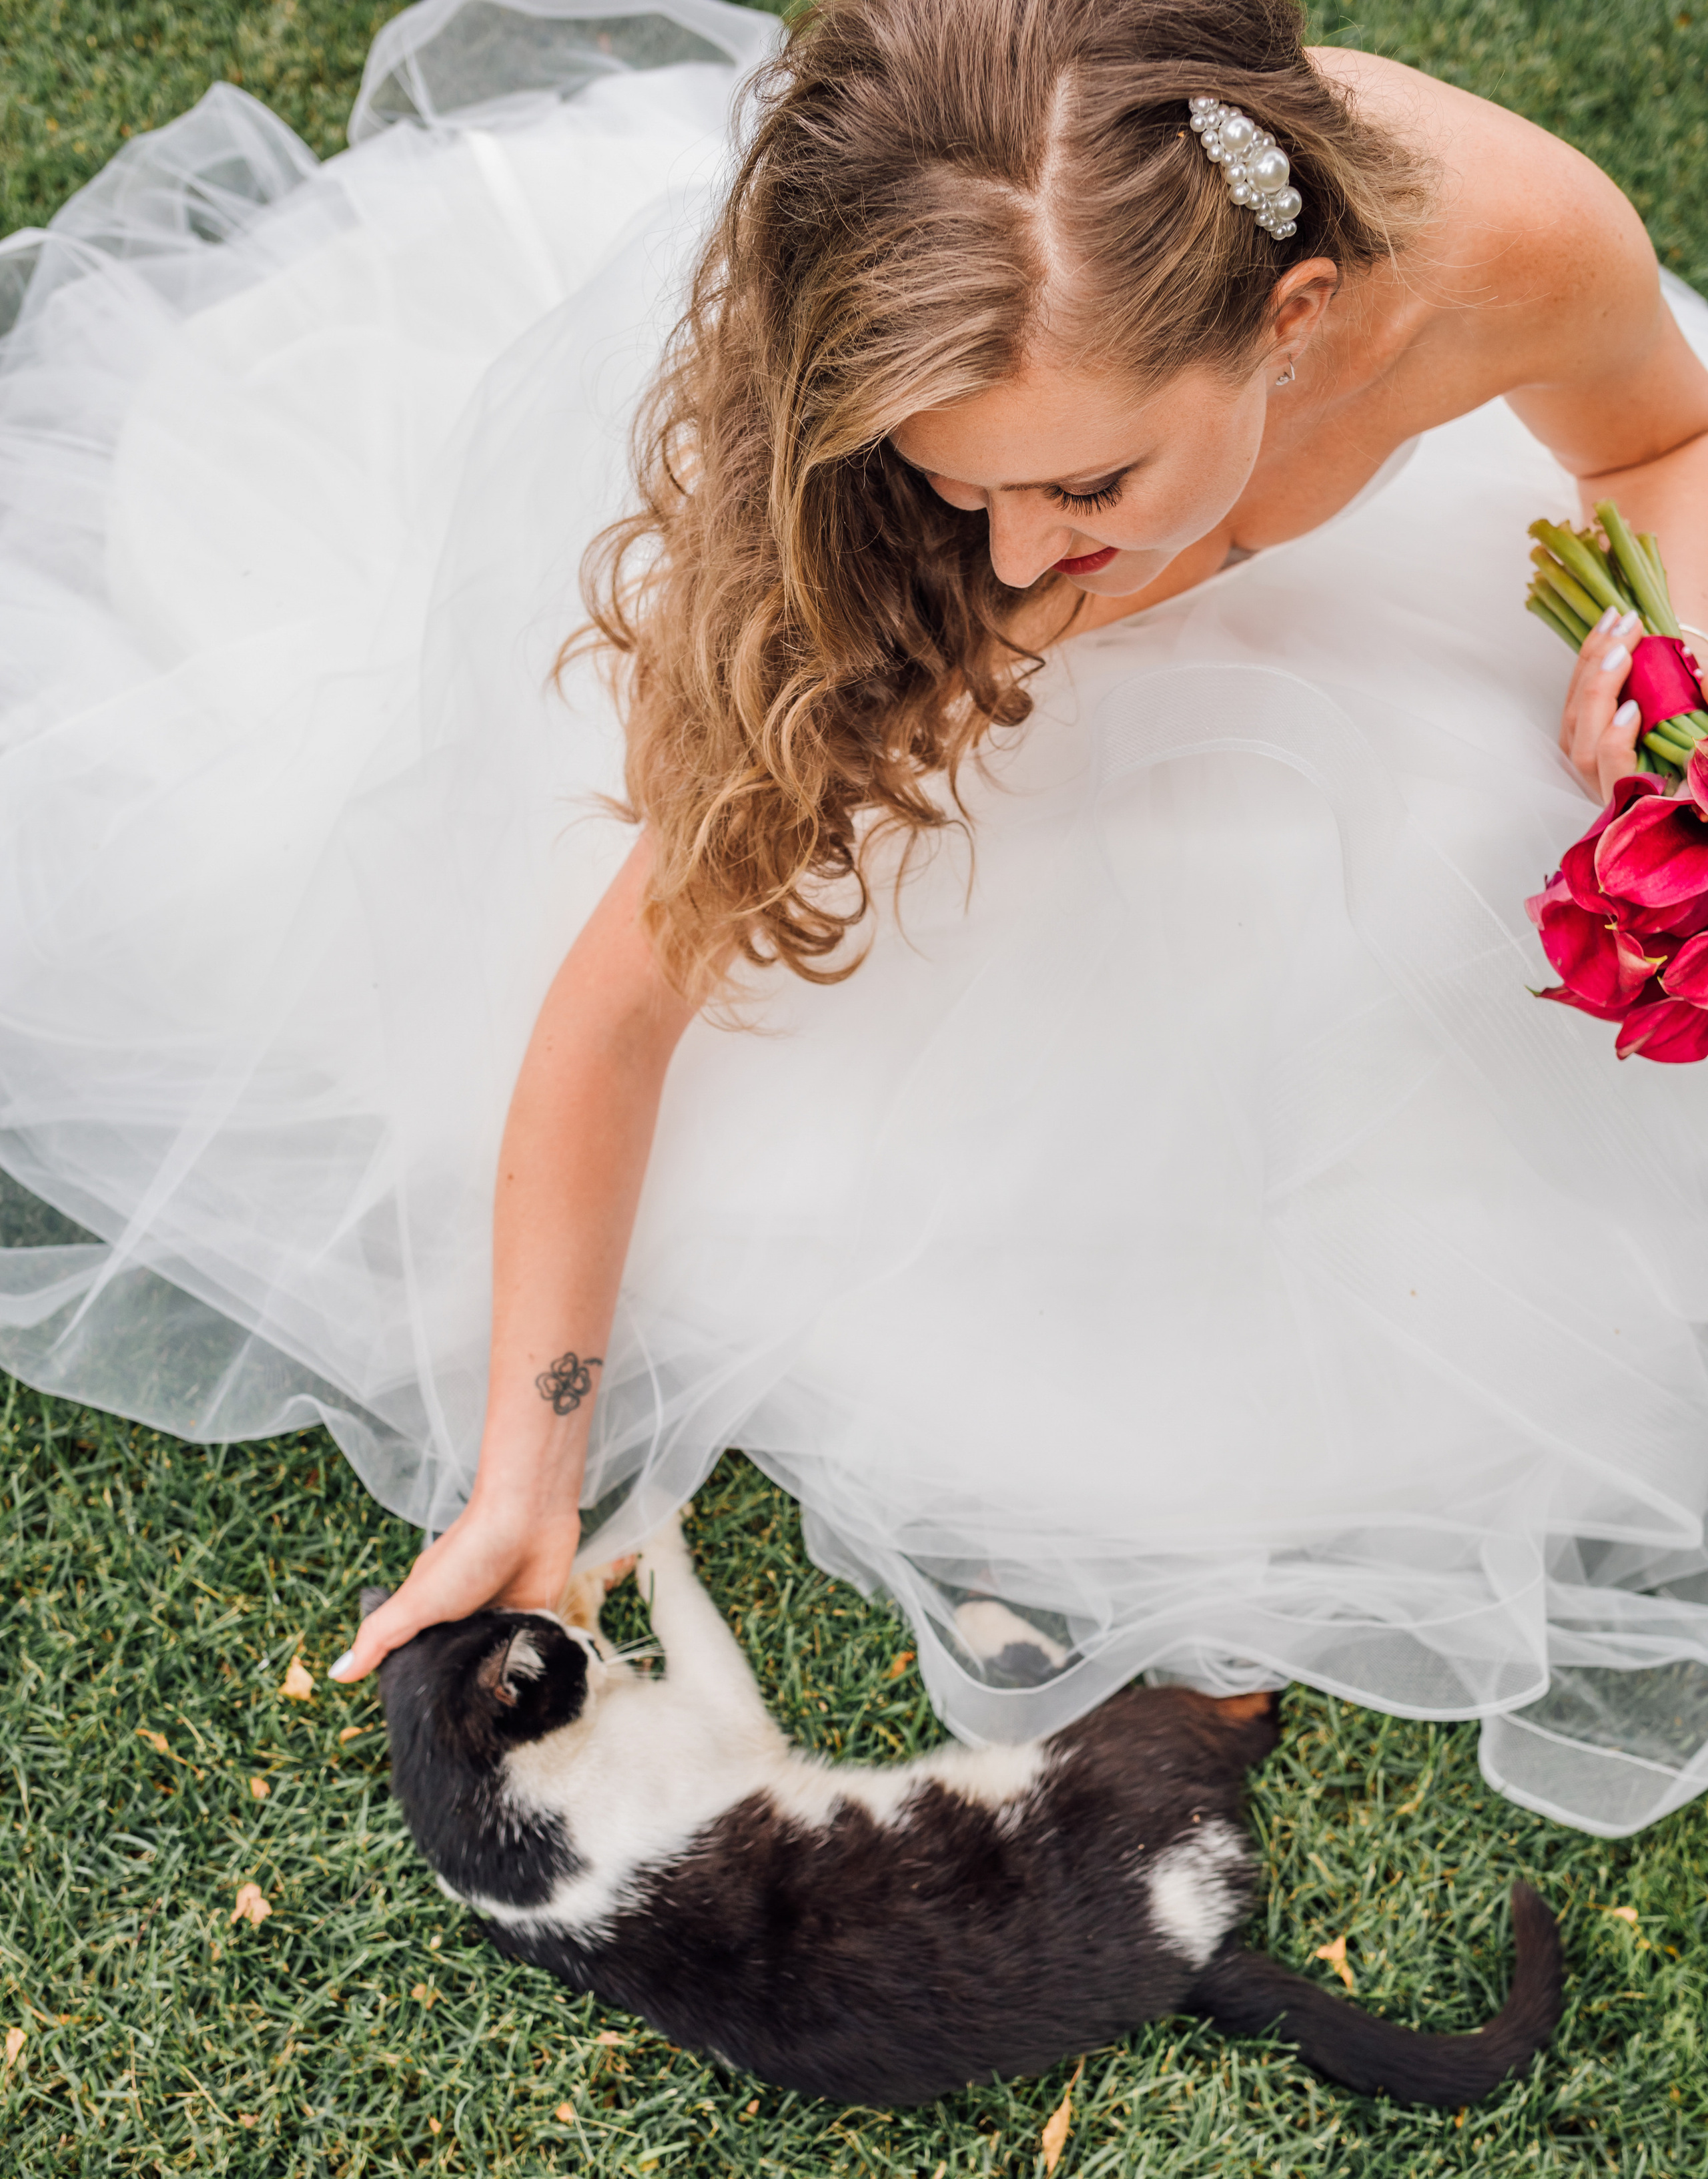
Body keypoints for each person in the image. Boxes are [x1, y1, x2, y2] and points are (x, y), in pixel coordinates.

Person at [4, 0, 1708, 1833]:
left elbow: (1661, 440)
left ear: (1290, 323)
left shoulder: (1498, 240)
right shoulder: (911, 567)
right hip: (895, 699)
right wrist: (529, 1466)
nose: (1016, 553)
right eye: (962, 479)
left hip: (1347, 643)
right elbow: (622, 1005)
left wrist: (1666, 650)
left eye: (1082, 484)